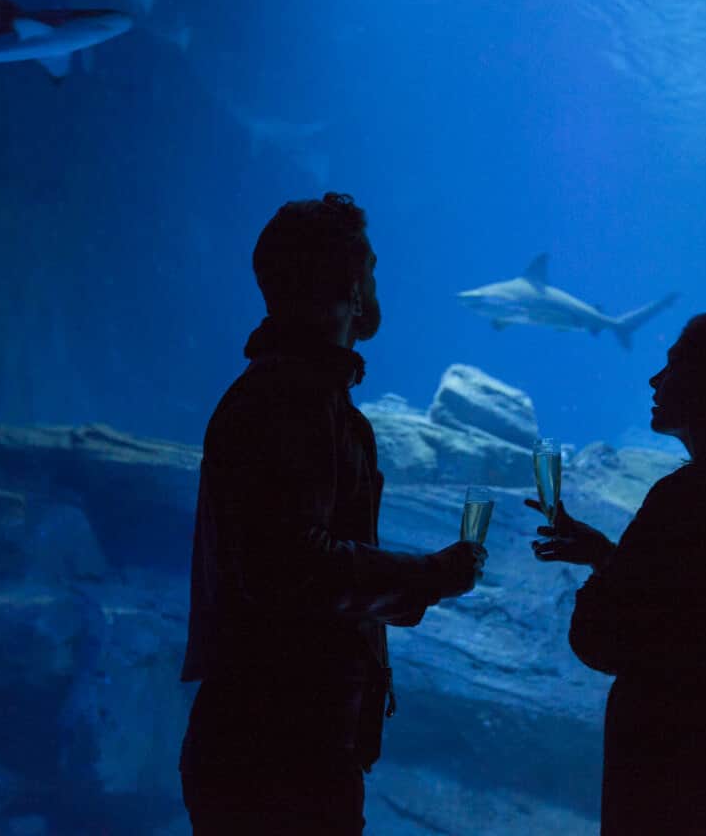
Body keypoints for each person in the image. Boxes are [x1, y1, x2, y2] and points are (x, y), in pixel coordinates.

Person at [179, 193, 487, 835]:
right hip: (281, 750)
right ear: (349, 284)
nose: (377, 284)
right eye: (371, 268)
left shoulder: (289, 396)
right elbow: (294, 567)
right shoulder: (294, 402)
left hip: (275, 742)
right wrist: (427, 575)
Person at [529, 312, 706, 835]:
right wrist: (608, 557)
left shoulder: (685, 499)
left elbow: (603, 640)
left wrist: (604, 578)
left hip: (671, 795)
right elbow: (701, 625)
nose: (655, 380)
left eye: (675, 364)